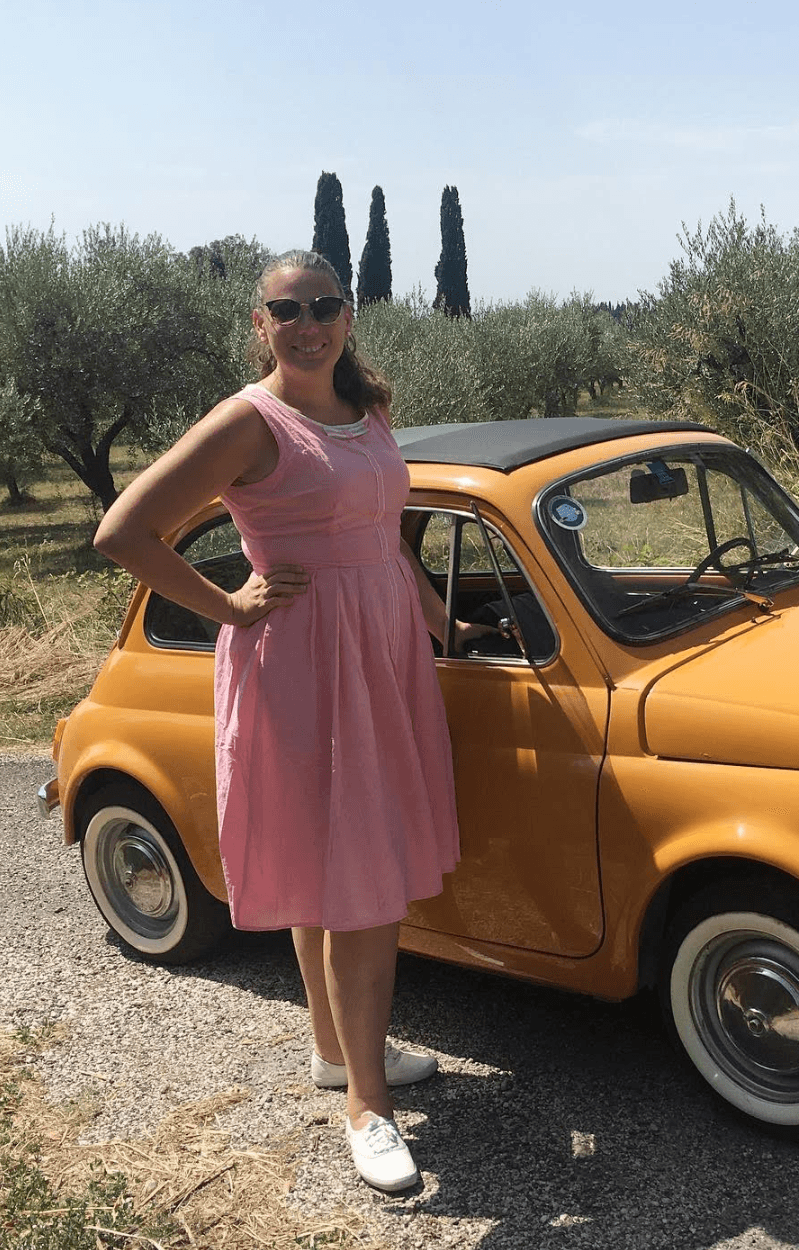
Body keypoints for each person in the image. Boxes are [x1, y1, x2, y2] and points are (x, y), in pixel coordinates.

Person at [95, 249, 477, 1193]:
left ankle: (337, 1055)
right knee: (359, 877)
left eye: (325, 305)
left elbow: (387, 535)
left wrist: (442, 624)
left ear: (349, 316)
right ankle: (370, 1107)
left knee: (335, 864)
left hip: (380, 653)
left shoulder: (369, 410)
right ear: (258, 323)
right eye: (287, 308)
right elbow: (123, 532)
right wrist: (230, 607)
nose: (308, 322)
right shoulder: (247, 419)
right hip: (302, 660)